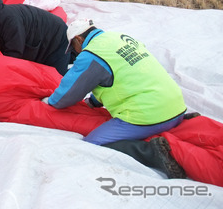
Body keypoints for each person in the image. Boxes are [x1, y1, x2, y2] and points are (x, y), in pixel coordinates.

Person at [43, 18, 188, 178]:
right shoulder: (120, 38)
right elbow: (123, 76)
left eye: (74, 48)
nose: (75, 52)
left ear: (79, 39)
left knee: (92, 145)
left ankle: (152, 153)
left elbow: (66, 95)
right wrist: (93, 101)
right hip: (177, 106)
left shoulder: (91, 53)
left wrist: (50, 101)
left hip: (151, 115)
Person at [0, 0, 70, 75]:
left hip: (57, 37)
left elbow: (14, 53)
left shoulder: (9, 20)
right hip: (40, 41)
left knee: (56, 80)